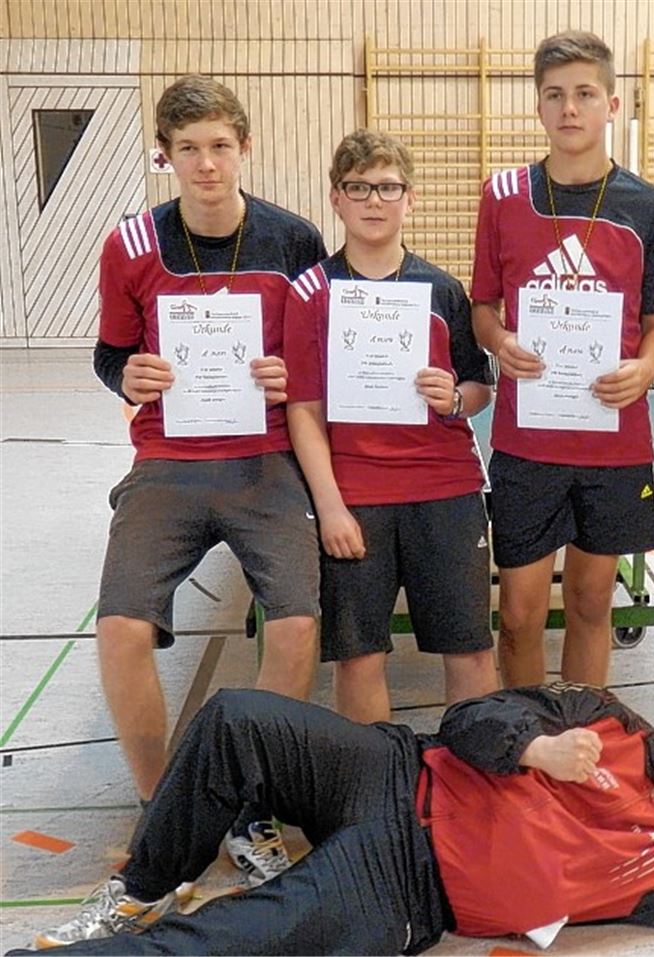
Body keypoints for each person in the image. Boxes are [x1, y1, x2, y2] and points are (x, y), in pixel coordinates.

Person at [29, 681, 654, 953]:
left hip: (407, 886)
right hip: (392, 771)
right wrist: (536, 749)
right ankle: (141, 886)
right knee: (236, 716)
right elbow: (469, 717)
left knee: (224, 942)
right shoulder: (599, 711)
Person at [90, 75, 327, 885]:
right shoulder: (129, 244)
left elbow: (315, 357)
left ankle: (254, 797)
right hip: (167, 460)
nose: (205, 164)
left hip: (264, 459)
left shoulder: (292, 240)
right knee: (120, 627)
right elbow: (108, 353)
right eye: (187, 149)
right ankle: (170, 806)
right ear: (167, 157)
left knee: (296, 622)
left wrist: (285, 373)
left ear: (245, 148)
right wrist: (133, 376)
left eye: (219, 145)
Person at [471, 31, 654, 688]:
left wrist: (645, 369)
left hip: (613, 445)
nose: (570, 108)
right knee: (521, 615)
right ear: (538, 107)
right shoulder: (502, 196)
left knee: (591, 603)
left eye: (585, 94)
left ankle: (584, 743)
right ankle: (531, 748)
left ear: (611, 104)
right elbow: (482, 306)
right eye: (554, 95)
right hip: (527, 440)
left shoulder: (647, 206)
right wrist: (499, 343)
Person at [284, 129, 498, 723]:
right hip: (356, 500)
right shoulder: (310, 293)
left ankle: (471, 788)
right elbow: (302, 408)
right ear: (336, 199)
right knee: (359, 658)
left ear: (411, 198)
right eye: (359, 188)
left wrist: (454, 398)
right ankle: (371, 790)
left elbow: (480, 386)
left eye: (387, 187)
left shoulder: (442, 290)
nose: (373, 201)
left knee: (472, 651)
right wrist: (329, 507)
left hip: (445, 492)